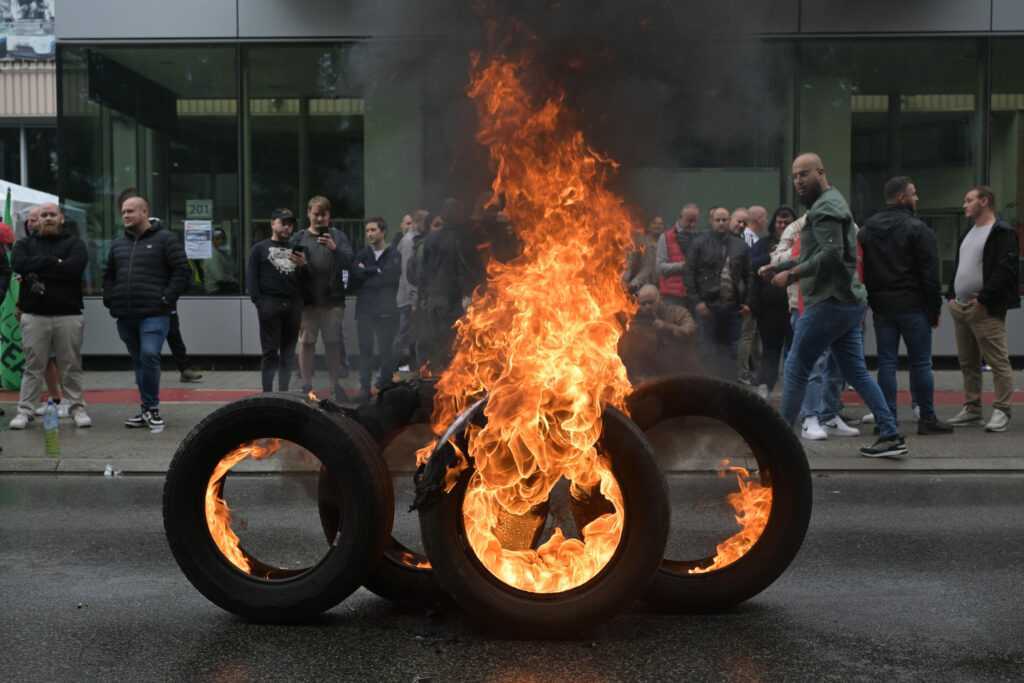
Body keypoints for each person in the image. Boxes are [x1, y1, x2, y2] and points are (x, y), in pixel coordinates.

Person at [760, 153, 904, 458]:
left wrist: (792, 274)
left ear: (820, 172)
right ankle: (891, 435)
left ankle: (778, 445)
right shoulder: (828, 201)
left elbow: (831, 255)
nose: (798, 181)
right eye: (795, 176)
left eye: (804, 174)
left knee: (796, 367)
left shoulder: (825, 208)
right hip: (846, 302)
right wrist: (781, 266)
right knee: (856, 371)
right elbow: (817, 252)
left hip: (829, 302)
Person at [858, 176, 952, 436]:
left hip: (883, 308)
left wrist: (872, 301)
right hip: (913, 307)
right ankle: (927, 418)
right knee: (921, 363)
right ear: (902, 198)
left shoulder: (867, 230)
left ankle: (887, 419)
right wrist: (934, 308)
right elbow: (930, 274)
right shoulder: (918, 229)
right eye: (914, 194)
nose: (917, 198)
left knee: (886, 363)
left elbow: (861, 269)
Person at [103, 196, 190, 429]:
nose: (126, 216)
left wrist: (166, 298)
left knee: (150, 355)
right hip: (125, 314)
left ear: (144, 212)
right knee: (139, 360)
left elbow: (182, 271)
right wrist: (110, 300)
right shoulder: (118, 244)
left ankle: (151, 408)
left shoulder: (166, 239)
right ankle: (146, 409)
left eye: (130, 211)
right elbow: (108, 275)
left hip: (156, 312)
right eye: (123, 212)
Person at [8, 203, 91, 430]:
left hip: (68, 315)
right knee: (33, 366)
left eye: (52, 215)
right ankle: (25, 411)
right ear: (37, 219)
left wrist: (39, 266)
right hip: (34, 316)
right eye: (43, 215)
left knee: (71, 366)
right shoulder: (25, 244)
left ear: (61, 218)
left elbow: (74, 268)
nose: (48, 218)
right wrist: (55, 262)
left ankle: (77, 409)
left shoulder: (75, 244)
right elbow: (18, 264)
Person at [945, 186, 1020, 432]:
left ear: (984, 201)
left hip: (984, 309)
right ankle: (973, 409)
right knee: (968, 362)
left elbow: (1005, 271)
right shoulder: (969, 233)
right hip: (961, 308)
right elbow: (961, 266)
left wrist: (984, 299)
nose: (964, 205)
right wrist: (951, 296)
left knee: (997, 361)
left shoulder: (1002, 233)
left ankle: (1002, 410)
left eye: (969, 200)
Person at [290, 195, 354, 401]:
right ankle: (306, 385)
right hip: (307, 301)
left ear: (329, 216)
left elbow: (349, 262)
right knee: (306, 342)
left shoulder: (338, 236)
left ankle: (335, 385)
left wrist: (334, 249)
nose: (319, 219)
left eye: (323, 215)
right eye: (316, 214)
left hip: (332, 300)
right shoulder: (299, 238)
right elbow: (288, 268)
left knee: (333, 343)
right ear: (309, 213)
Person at [683, 206, 752, 382]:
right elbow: (689, 272)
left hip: (732, 307)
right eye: (718, 220)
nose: (721, 223)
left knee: (729, 349)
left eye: (724, 220)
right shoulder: (699, 242)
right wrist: (697, 301)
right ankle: (705, 386)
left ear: (729, 221)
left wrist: (747, 301)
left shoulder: (740, 246)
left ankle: (730, 388)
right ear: (711, 221)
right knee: (706, 349)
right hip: (707, 306)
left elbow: (748, 275)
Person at [246, 208, 310, 393]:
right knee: (270, 352)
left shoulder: (299, 251)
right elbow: (252, 278)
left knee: (288, 354)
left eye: (290, 224)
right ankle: (267, 392)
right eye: (283, 223)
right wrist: (260, 303)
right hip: (270, 304)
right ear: (272, 223)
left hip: (293, 305)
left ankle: (283, 392)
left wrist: (303, 266)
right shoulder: (259, 248)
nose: (287, 227)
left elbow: (308, 280)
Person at [350, 217, 401, 402]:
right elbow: (355, 276)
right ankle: (364, 388)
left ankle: (385, 386)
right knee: (365, 351)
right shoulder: (363, 254)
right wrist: (375, 270)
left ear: (383, 232)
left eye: (373, 230)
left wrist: (367, 272)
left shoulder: (393, 254)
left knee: (386, 350)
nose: (370, 234)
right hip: (365, 310)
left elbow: (389, 278)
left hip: (386, 310)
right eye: (368, 231)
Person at [750, 205, 796, 398]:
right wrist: (768, 258)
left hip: (793, 306)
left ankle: (794, 389)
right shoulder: (763, 244)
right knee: (770, 349)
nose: (783, 226)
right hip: (769, 308)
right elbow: (750, 265)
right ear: (774, 223)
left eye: (787, 223)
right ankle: (764, 387)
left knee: (795, 350)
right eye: (780, 222)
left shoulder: (800, 243)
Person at [618, 284, 702, 382]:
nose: (648, 306)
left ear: (660, 298)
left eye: (651, 302)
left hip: (683, 369)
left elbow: (691, 331)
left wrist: (667, 327)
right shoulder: (636, 319)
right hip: (654, 373)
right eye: (644, 304)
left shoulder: (677, 312)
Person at [393, 209, 429, 372]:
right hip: (409, 300)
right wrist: (414, 300)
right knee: (404, 338)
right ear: (419, 222)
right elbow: (408, 274)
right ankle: (389, 374)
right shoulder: (410, 242)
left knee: (411, 339)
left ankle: (409, 374)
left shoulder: (415, 240)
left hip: (410, 299)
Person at [730, 207, 761, 384]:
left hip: (745, 297)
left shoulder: (746, 242)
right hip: (733, 298)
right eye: (738, 221)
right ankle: (743, 373)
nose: (741, 225)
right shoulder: (729, 242)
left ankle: (750, 372)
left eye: (744, 222)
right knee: (746, 335)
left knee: (749, 334)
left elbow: (748, 273)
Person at [656, 203, 700, 309]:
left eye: (695, 221)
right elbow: (660, 267)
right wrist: (683, 266)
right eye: (690, 220)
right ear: (681, 217)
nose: (692, 225)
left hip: (693, 295)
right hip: (673, 296)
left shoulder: (698, 237)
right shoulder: (666, 237)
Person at [623, 215, 663, 294]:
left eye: (660, 224)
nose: (657, 225)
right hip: (633, 288)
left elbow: (649, 267)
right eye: (654, 223)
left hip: (651, 289)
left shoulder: (663, 245)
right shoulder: (641, 243)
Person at [203, 228, 238, 294]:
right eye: (218, 239)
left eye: (223, 238)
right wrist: (236, 280)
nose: (221, 241)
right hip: (215, 291)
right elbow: (219, 277)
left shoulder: (226, 254)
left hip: (226, 287)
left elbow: (235, 270)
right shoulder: (212, 254)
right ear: (213, 240)